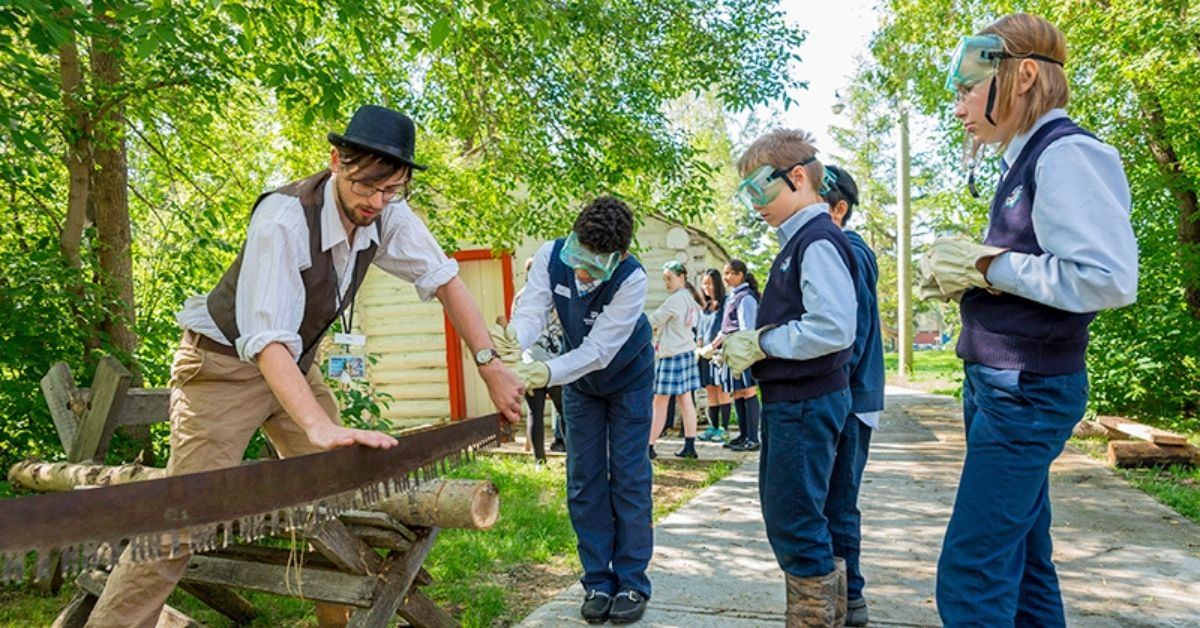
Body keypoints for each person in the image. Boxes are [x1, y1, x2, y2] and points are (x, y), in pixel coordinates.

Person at [86, 105, 525, 627]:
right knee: (183, 519)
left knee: (335, 491)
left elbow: (446, 280)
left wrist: (489, 364)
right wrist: (318, 428)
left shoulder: (387, 211)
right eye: (368, 187)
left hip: (293, 366)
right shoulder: (282, 219)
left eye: (392, 191)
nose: (377, 202)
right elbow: (266, 340)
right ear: (337, 160)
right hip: (224, 367)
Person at [928, 14, 1137, 626]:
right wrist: (969, 275)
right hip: (1002, 384)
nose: (960, 104)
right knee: (1022, 558)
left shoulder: (1068, 153)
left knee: (971, 575)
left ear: (1021, 76)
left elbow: (1107, 278)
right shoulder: (1023, 161)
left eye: (968, 86)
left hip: (1025, 390)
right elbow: (1038, 269)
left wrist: (988, 265)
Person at [494, 196, 654, 624]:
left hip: (627, 379)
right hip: (579, 384)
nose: (582, 272)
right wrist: (516, 341)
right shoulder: (550, 256)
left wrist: (545, 373)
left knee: (629, 477)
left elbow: (599, 350)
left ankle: (633, 583)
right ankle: (598, 581)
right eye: (577, 257)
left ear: (618, 257)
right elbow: (532, 311)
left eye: (594, 265)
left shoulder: (633, 278)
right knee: (583, 478)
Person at [721, 129, 859, 625]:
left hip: (803, 403)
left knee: (794, 522)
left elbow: (834, 327)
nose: (754, 204)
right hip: (798, 401)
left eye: (759, 189)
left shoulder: (816, 240)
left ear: (797, 176)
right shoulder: (802, 240)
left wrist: (763, 341)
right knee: (806, 519)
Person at [822, 165, 885, 627]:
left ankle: (852, 598)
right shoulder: (836, 247)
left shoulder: (847, 249)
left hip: (849, 398)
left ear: (840, 208)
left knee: (839, 501)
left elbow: (854, 333)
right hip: (844, 396)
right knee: (828, 499)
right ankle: (838, 596)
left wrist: (835, 394)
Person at [648, 261, 704, 459]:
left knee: (659, 401)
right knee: (686, 400)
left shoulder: (675, 300)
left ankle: (649, 445)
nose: (666, 283)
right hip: (687, 351)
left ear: (681, 278)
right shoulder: (690, 298)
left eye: (669, 278)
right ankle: (690, 445)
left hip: (672, 353)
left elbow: (653, 320)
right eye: (664, 279)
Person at [515, 257, 567, 463]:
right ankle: (572, 456)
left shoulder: (520, 296)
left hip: (530, 361)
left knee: (535, 413)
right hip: (554, 364)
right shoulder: (554, 295)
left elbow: (514, 328)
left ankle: (539, 461)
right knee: (565, 411)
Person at [711, 260, 762, 452]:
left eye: (729, 273)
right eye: (724, 273)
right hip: (732, 351)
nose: (725, 278)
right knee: (738, 392)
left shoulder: (745, 298)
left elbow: (747, 328)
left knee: (748, 391)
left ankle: (753, 437)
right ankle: (743, 435)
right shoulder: (732, 297)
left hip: (743, 352)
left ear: (740, 275)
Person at [696, 268, 731, 443]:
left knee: (722, 390)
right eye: (703, 284)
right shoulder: (705, 308)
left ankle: (724, 429)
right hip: (705, 355)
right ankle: (713, 427)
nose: (705, 287)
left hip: (719, 354)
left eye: (709, 283)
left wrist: (713, 346)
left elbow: (726, 329)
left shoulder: (726, 304)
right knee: (710, 390)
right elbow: (701, 331)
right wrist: (700, 346)